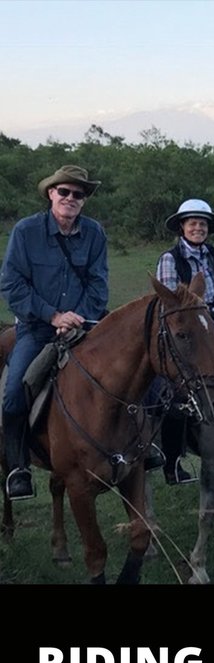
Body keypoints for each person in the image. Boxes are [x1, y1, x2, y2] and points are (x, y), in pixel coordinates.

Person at [0, 164, 109, 501]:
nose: (71, 198)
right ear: (51, 193)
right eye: (65, 191)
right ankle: (19, 467)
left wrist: (78, 318)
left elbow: (99, 283)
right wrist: (54, 316)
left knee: (131, 374)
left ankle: (141, 449)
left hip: (83, 326)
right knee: (15, 391)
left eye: (79, 194)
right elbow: (11, 283)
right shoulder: (26, 231)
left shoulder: (94, 234)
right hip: (36, 327)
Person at [154, 198, 214, 485]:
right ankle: (172, 461)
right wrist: (207, 315)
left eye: (202, 224)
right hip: (186, 330)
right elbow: (173, 304)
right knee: (176, 396)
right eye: (193, 223)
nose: (198, 228)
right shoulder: (170, 259)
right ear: (182, 227)